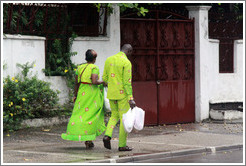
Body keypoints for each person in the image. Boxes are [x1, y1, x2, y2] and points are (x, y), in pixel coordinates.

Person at [61, 49, 106, 148]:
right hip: (91, 94)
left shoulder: (80, 68)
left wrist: (75, 95)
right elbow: (94, 81)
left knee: (80, 114)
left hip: (82, 93)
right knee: (91, 115)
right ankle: (88, 138)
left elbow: (76, 83)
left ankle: (84, 137)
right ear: (94, 59)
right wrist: (103, 82)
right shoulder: (94, 67)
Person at [102, 44, 136, 151]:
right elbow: (127, 83)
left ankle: (107, 135)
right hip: (122, 95)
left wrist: (112, 86)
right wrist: (131, 98)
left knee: (114, 115)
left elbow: (104, 78)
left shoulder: (109, 59)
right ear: (129, 51)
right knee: (124, 119)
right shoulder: (126, 62)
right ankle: (122, 145)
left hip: (112, 94)